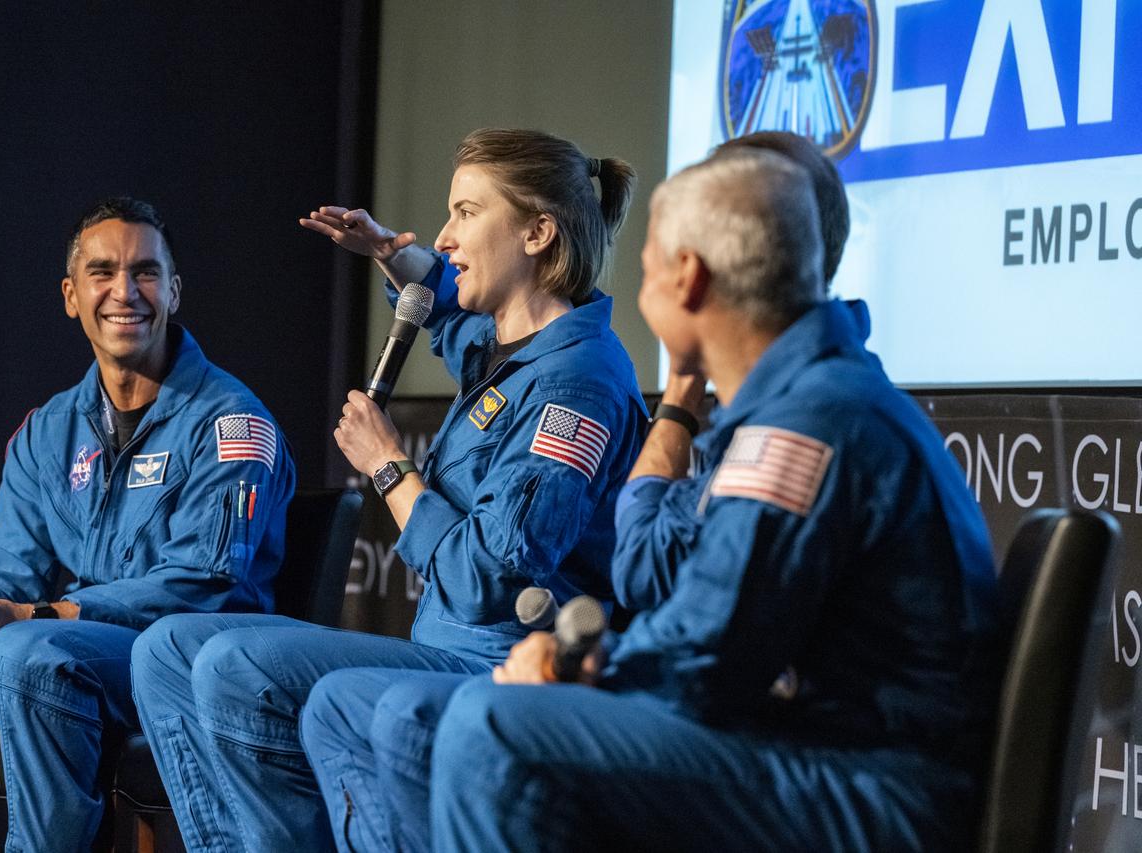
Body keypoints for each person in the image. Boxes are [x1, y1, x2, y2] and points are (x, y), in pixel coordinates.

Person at [302, 142, 998, 851]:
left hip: (867, 787)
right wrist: (587, 665)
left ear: (688, 278)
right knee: (466, 712)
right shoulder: (805, 401)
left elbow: (709, 651)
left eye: (645, 271)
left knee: (493, 728)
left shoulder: (804, 425)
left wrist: (581, 670)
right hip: (827, 751)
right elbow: (696, 600)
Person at [129, 128, 648, 850]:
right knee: (164, 649)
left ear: (537, 232)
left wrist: (388, 466)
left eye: (466, 213)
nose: (444, 235)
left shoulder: (578, 382)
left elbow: (489, 578)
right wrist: (387, 250)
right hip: (443, 645)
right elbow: (439, 303)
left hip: (499, 656)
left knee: (234, 663)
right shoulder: (505, 339)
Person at [0, 197, 295, 852]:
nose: (126, 291)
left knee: (25, 650)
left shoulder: (232, 424)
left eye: (146, 272)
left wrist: (37, 616)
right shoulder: (48, 430)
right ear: (71, 295)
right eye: (103, 272)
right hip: (59, 653)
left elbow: (205, 585)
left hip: (174, 662)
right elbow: (8, 569)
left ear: (174, 291)